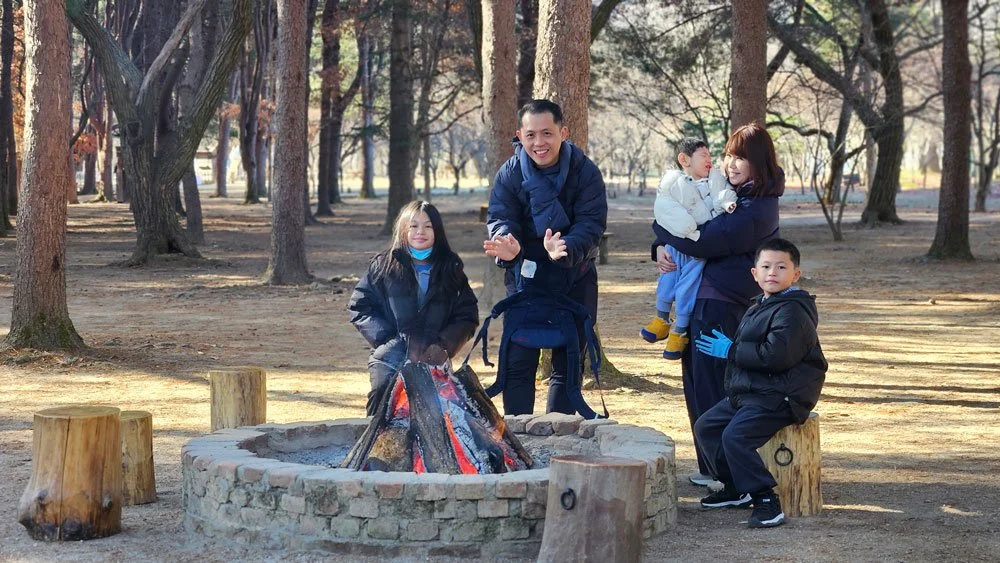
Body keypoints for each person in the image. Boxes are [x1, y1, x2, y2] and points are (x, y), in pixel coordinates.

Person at [652, 122, 784, 487]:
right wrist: (660, 245)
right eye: (728, 155)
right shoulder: (731, 193)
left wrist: (662, 233)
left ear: (759, 162)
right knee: (697, 384)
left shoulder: (757, 207)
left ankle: (729, 477)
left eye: (741, 157)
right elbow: (681, 212)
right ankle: (712, 469)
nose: (731, 163)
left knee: (713, 388)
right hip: (705, 301)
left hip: (722, 305)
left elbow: (705, 240)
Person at [483, 99, 607, 416]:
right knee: (518, 363)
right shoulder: (509, 174)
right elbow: (501, 217)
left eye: (547, 133)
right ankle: (519, 442)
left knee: (567, 367)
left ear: (563, 132)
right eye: (531, 135)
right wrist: (508, 246)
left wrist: (563, 248)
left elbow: (591, 224)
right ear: (520, 135)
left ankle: (558, 439)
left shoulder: (585, 172)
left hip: (573, 276)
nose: (539, 143)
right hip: (526, 278)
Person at [693, 238, 828, 528]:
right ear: (754, 273)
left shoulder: (793, 310)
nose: (772, 272)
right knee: (707, 427)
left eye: (781, 267)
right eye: (766, 266)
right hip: (751, 392)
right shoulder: (760, 305)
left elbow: (776, 357)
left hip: (783, 395)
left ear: (795, 275)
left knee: (736, 438)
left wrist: (730, 350)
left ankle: (766, 500)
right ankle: (735, 487)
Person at [349, 201, 479, 415]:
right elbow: (359, 306)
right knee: (384, 415)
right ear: (403, 229)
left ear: (437, 231)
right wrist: (388, 341)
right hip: (390, 359)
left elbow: (467, 314)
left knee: (440, 417)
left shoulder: (450, 268)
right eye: (414, 226)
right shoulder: (384, 265)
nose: (421, 232)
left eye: (428, 226)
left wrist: (443, 346)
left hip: (433, 359)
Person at [641, 138, 737, 360]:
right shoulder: (674, 185)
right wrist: (661, 244)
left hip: (698, 252)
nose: (709, 161)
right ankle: (661, 319)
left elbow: (721, 199)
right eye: (703, 156)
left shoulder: (714, 183)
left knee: (687, 288)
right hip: (676, 247)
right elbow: (665, 214)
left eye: (710, 156)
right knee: (667, 280)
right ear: (684, 160)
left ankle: (679, 331)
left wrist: (725, 203)